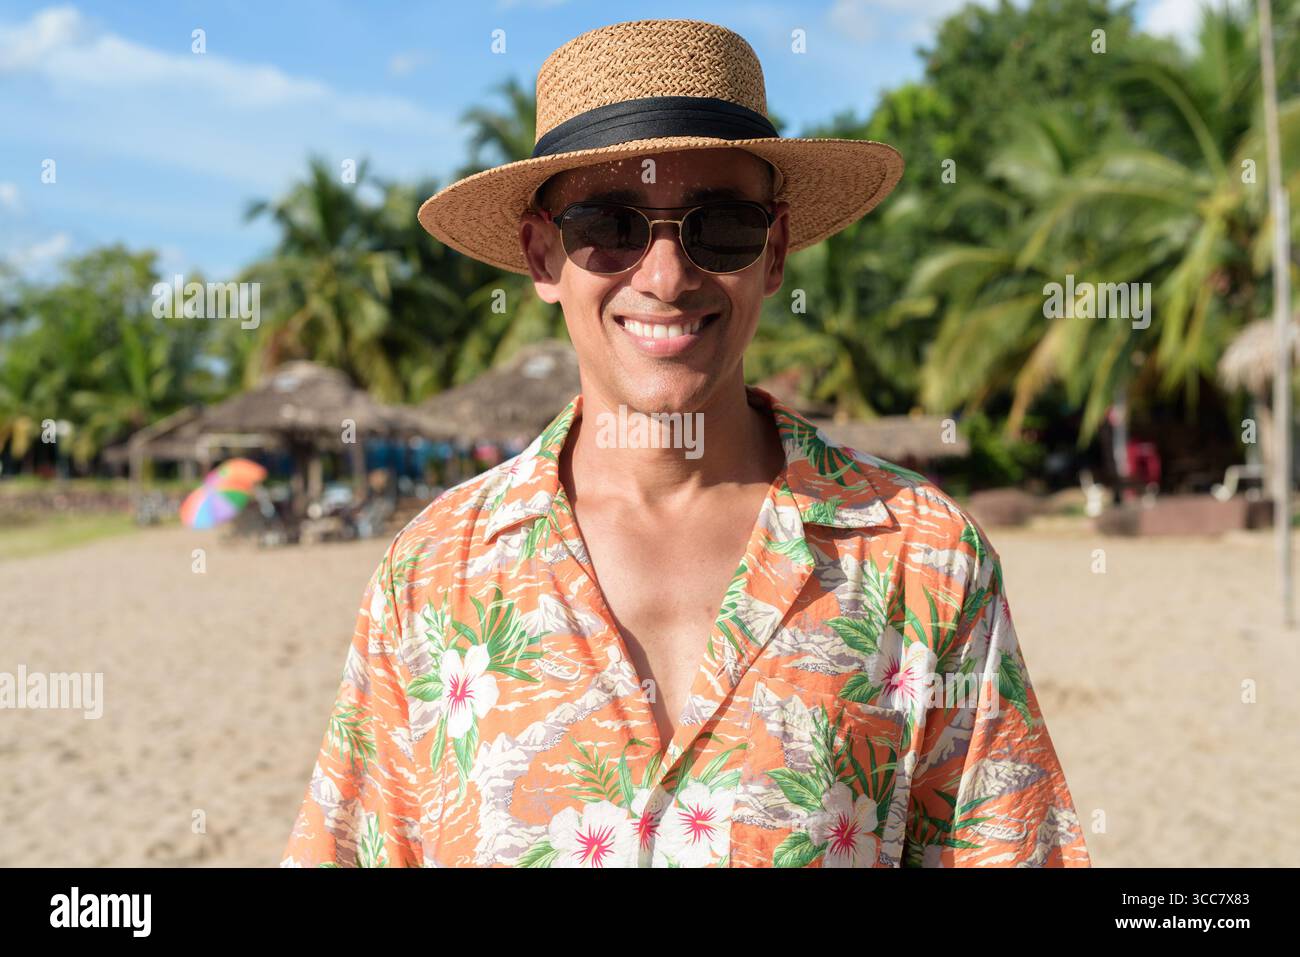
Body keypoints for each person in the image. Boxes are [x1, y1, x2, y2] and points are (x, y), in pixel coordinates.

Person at [281, 18, 1090, 868]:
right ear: (541, 256)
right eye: (610, 226)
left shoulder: (922, 561)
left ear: (773, 252)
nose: (666, 277)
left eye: (721, 226)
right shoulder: (433, 576)